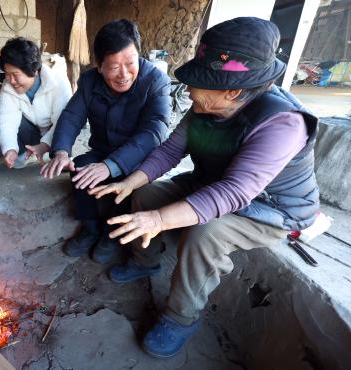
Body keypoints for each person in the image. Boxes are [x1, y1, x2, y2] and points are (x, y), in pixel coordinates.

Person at [89, 17, 319, 358]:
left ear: (232, 90)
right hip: (213, 183)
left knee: (205, 232)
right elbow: (169, 151)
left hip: (269, 207)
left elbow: (235, 192)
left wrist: (159, 220)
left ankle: (181, 316)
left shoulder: (282, 123)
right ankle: (145, 260)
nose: (189, 89)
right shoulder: (204, 107)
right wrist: (129, 182)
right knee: (146, 194)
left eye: (198, 82)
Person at [41, 19, 171, 264]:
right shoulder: (90, 82)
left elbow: (154, 132)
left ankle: (111, 237)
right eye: (113, 67)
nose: (124, 74)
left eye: (130, 63)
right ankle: (90, 230)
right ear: (99, 66)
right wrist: (60, 151)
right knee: (79, 169)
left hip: (139, 160)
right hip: (102, 150)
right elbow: (72, 116)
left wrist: (111, 166)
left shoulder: (156, 82)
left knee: (127, 184)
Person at [0, 37, 72, 168]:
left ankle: (59, 154)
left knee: (65, 129)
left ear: (34, 70)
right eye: (7, 74)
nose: (11, 80)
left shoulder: (58, 81)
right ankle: (27, 153)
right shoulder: (8, 86)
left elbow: (64, 122)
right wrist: (10, 149)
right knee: (7, 122)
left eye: (15, 74)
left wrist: (46, 145)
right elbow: (6, 119)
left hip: (56, 132)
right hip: (31, 133)